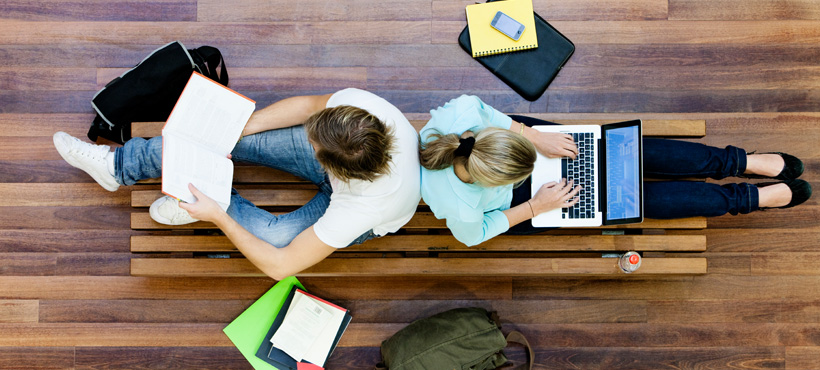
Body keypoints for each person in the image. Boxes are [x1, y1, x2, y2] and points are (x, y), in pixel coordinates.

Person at [54, 88, 421, 280]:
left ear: (328, 164)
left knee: (275, 239)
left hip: (362, 210)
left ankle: (208, 203)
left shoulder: (363, 207)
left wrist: (219, 216)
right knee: (219, 136)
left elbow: (281, 265)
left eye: (313, 144)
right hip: (352, 169)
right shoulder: (360, 111)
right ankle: (117, 166)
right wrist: (239, 130)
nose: (306, 139)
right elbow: (309, 104)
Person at [419, 95, 812, 246]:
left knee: (626, 154)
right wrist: (536, 207)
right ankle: (745, 198)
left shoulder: (460, 118)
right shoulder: (460, 207)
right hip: (524, 203)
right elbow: (477, 235)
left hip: (526, 142)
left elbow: (489, 114)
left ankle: (738, 161)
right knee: (624, 200)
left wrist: (536, 139)